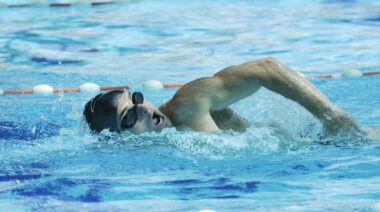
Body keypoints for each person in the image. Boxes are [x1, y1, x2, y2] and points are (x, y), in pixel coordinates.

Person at [83, 57, 364, 136]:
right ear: (118, 138)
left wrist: (331, 116)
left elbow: (266, 68)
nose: (142, 110)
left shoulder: (188, 104)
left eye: (137, 101)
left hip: (331, 145)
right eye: (129, 116)